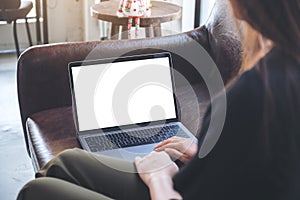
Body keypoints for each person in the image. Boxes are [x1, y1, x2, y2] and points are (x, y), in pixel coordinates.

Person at [17, 0, 300, 199]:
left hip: (171, 192)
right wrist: (204, 152)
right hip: (209, 184)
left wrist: (158, 179)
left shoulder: (257, 95)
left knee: (36, 191)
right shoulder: (280, 75)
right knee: (64, 163)